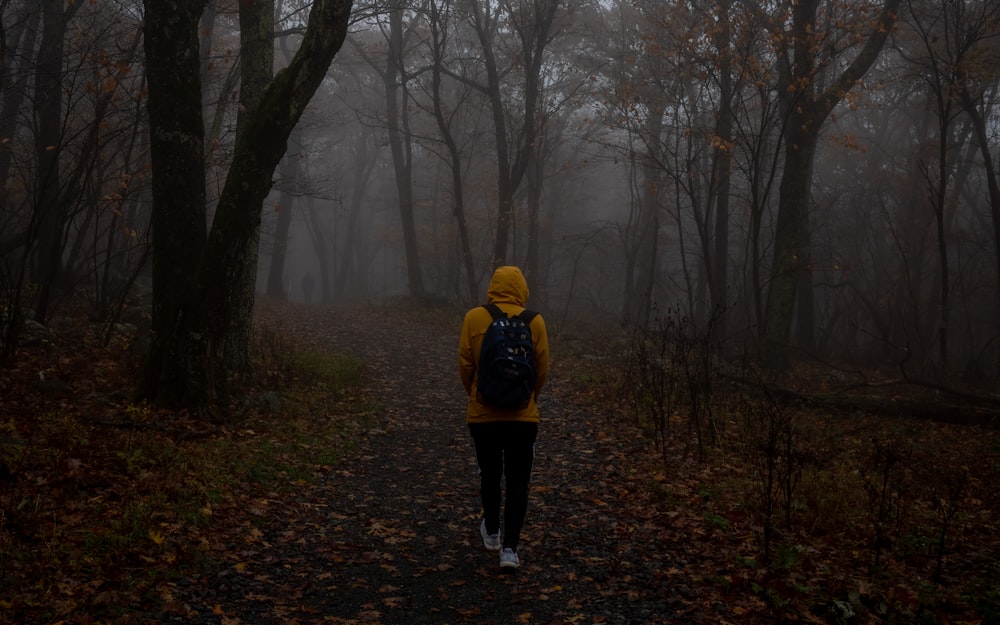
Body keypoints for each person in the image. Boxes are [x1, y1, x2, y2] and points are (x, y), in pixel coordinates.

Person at [458, 266, 549, 570]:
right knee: (519, 479)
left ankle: (493, 532)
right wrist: (527, 398)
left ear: (493, 286)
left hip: (484, 414)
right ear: (523, 288)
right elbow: (542, 369)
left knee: (489, 472)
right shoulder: (535, 321)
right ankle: (510, 550)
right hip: (523, 418)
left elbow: (465, 365)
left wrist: (477, 393)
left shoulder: (474, 317)